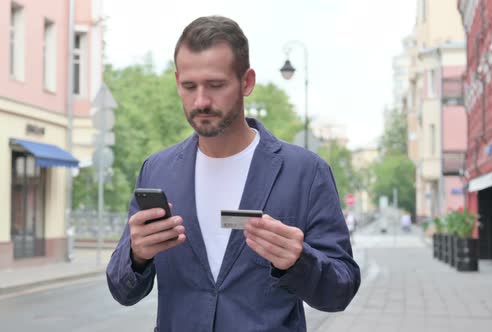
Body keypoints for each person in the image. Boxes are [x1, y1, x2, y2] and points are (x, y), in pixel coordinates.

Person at [106, 16, 360, 331]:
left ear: (247, 82)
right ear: (177, 82)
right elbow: (122, 290)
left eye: (216, 85)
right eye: (189, 86)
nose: (201, 101)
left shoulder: (306, 173)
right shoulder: (157, 171)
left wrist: (300, 261)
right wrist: (136, 255)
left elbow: (341, 291)